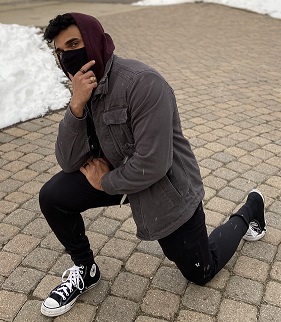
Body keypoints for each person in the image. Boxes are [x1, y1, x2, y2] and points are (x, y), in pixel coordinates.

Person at [39, 13, 267, 317]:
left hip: (164, 185)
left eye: (74, 44)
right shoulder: (83, 87)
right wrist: (76, 105)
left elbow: (153, 163)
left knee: (201, 272)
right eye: (60, 51)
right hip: (116, 173)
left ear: (93, 40)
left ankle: (249, 210)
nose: (67, 56)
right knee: (53, 197)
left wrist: (105, 182)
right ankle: (85, 269)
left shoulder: (142, 83)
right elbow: (67, 160)